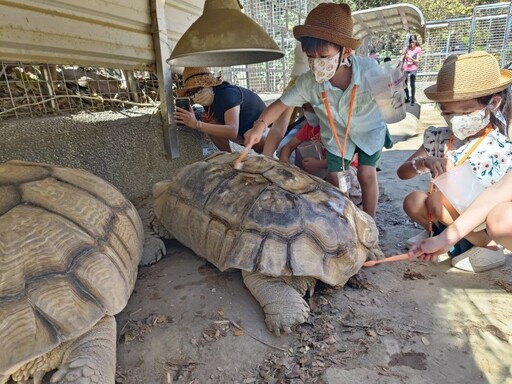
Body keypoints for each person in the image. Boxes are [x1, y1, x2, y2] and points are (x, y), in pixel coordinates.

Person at [243, 3, 388, 218]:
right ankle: (348, 219)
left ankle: (370, 221)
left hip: (369, 129)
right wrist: (260, 126)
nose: (316, 63)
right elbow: (280, 105)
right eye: (310, 57)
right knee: (335, 178)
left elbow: (389, 98)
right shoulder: (308, 83)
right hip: (337, 135)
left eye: (324, 56)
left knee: (367, 175)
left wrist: (393, 93)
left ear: (345, 52)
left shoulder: (369, 70)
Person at [397, 51, 512, 272]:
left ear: (493, 103)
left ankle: (487, 247)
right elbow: (403, 173)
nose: (456, 121)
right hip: (445, 212)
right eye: (448, 113)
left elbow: (492, 199)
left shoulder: (500, 149)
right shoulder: (438, 137)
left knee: (438, 201)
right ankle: (440, 235)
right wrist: (424, 163)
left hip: (477, 219)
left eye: (466, 112)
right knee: (413, 200)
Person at [174, 67, 268, 153]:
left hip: (267, 134)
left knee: (260, 142)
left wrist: (196, 124)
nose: (195, 95)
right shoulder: (210, 101)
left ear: (209, 84)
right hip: (246, 136)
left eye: (198, 89)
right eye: (191, 93)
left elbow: (232, 131)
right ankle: (228, 157)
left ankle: (270, 154)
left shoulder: (227, 94)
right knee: (210, 121)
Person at [402, 35, 422, 105]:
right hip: (405, 67)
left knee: (412, 84)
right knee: (403, 83)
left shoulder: (418, 49)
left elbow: (417, 61)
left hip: (413, 68)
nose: (412, 43)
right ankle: (407, 97)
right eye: (410, 42)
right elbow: (402, 53)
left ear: (416, 41)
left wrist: (411, 58)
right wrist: (405, 49)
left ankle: (412, 99)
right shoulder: (407, 48)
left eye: (413, 42)